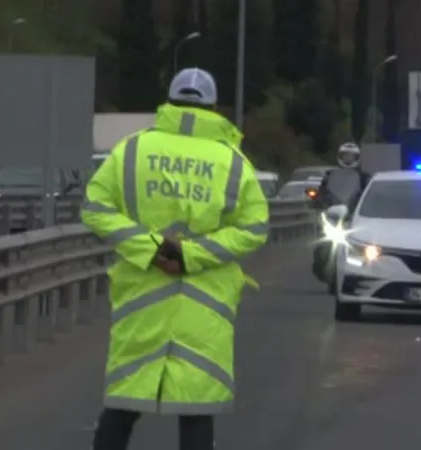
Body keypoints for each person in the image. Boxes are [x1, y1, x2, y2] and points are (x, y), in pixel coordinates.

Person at [81, 67, 269, 450]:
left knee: (122, 405)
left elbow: (94, 207)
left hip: (141, 298)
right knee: (197, 411)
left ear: (168, 102)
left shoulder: (131, 150)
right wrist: (191, 256)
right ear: (215, 108)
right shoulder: (232, 162)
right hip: (205, 306)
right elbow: (254, 229)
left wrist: (152, 249)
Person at [311, 142, 371, 287]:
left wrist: (362, 206)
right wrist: (319, 200)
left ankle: (365, 273)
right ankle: (322, 264)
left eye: (351, 156)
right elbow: (322, 192)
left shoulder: (364, 177)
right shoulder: (330, 174)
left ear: (357, 158)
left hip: (353, 216)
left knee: (364, 245)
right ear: (339, 157)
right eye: (345, 156)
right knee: (320, 241)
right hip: (334, 215)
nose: (348, 159)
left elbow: (368, 195)